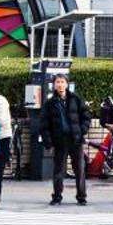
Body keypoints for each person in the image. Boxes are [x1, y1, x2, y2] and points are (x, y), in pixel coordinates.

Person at [38, 71, 91, 206]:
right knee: (58, 171)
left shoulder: (75, 99)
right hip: (59, 141)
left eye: (62, 82)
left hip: (75, 139)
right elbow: (44, 125)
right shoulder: (49, 104)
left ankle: (81, 197)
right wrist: (49, 143)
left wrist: (82, 131)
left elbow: (86, 116)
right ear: (54, 85)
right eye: (57, 82)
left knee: (79, 169)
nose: (60, 85)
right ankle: (57, 197)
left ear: (67, 84)